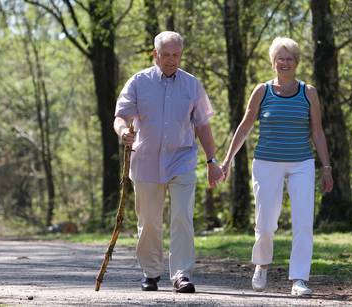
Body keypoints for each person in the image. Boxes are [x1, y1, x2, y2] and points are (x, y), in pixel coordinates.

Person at [220, 37, 333, 296]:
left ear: (296, 62)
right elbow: (245, 126)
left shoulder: (309, 92)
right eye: (280, 58)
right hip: (266, 162)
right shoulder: (262, 91)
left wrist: (326, 167)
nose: (284, 63)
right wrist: (228, 159)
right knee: (266, 221)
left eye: (289, 58)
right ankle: (261, 263)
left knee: (303, 221)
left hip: (301, 162)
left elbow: (317, 132)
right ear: (273, 62)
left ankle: (300, 279)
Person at [114, 31, 223, 293]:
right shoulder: (138, 82)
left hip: (182, 159)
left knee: (182, 218)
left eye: (176, 55)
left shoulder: (192, 85)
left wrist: (212, 160)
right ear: (155, 54)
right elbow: (120, 116)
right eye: (166, 55)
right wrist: (123, 132)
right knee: (149, 221)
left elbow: (203, 126)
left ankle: (182, 274)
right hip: (146, 161)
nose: (172, 60)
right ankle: (151, 273)